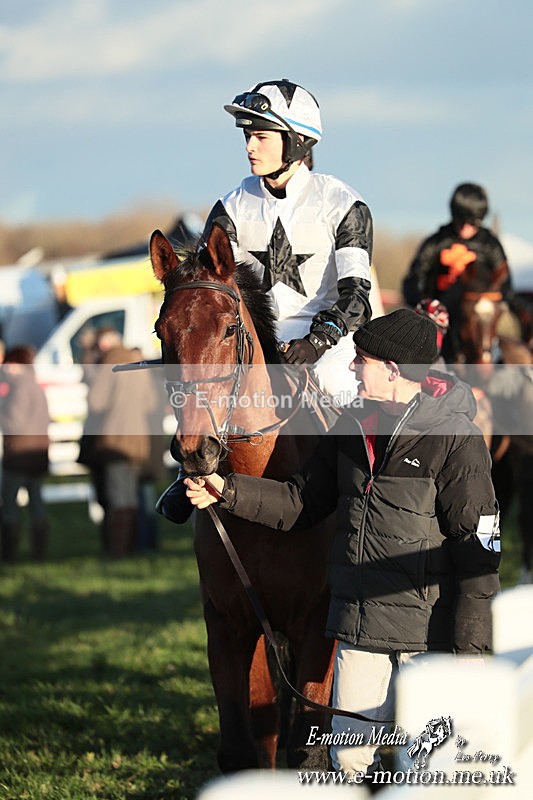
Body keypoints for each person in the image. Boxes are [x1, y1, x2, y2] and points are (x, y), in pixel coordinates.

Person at [183, 308, 501, 778]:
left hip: (426, 635)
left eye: (361, 360)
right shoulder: (350, 428)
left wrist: (472, 652)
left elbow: (480, 547)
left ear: (393, 370)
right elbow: (301, 501)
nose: (352, 367)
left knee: (428, 764)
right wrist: (226, 490)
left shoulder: (458, 440)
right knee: (347, 761)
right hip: (359, 631)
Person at [157, 78, 373, 524]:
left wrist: (317, 342)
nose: (250, 147)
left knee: (347, 405)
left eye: (260, 136)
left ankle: (366, 506)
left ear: (295, 142)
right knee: (206, 393)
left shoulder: (343, 203)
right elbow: (210, 287)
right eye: (247, 137)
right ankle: (192, 469)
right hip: (252, 343)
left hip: (325, 348)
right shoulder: (231, 204)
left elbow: (358, 297)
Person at [402, 183, 512, 359]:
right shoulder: (436, 243)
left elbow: (505, 282)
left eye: (472, 222)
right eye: (461, 220)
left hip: (478, 321)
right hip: (440, 318)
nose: (465, 227)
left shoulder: (490, 245)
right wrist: (425, 305)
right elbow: (413, 280)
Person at [0, 345, 50, 562]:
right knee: (36, 504)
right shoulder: (35, 386)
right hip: (37, 454)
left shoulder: (19, 388)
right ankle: (39, 553)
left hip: (19, 455)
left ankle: (9, 554)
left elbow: (14, 422)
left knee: (9, 505)